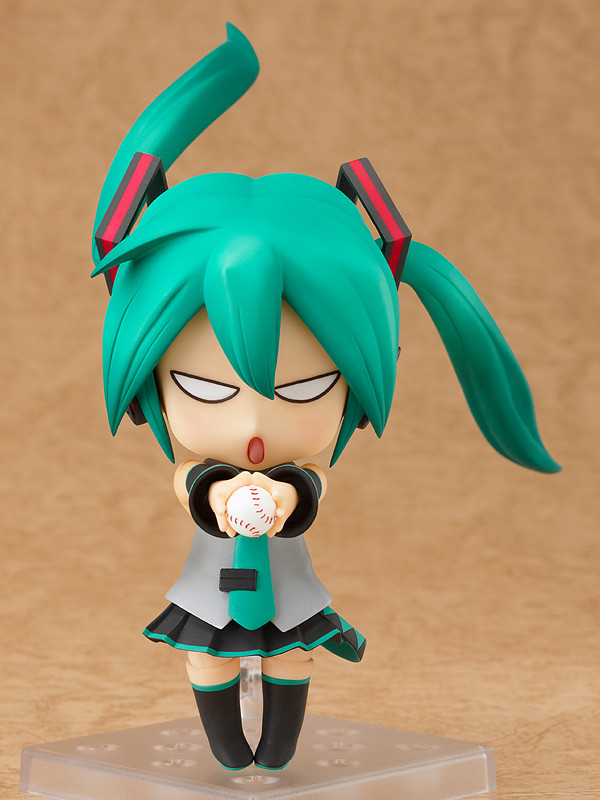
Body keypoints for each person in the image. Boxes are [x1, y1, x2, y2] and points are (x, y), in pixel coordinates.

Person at [91, 24, 559, 771]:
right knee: (205, 653)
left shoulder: (296, 475)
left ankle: (279, 747)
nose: (251, 424)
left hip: (285, 578)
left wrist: (286, 494)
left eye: (306, 389)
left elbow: (313, 482)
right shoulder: (206, 469)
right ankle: (226, 746)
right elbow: (186, 480)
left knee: (293, 651)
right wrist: (215, 492)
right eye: (204, 388)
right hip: (213, 579)